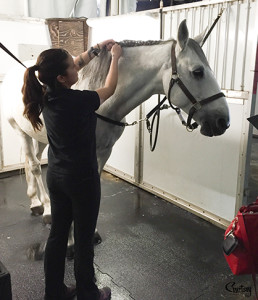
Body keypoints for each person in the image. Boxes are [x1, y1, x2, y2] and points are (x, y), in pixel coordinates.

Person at [21, 40, 122, 300]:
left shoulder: (45, 93)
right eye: (72, 65)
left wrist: (96, 49)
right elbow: (109, 89)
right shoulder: (79, 100)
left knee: (57, 236)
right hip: (83, 180)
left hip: (56, 176)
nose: (77, 67)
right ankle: (89, 293)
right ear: (62, 78)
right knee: (84, 238)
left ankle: (55, 292)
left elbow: (75, 64)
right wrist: (116, 58)